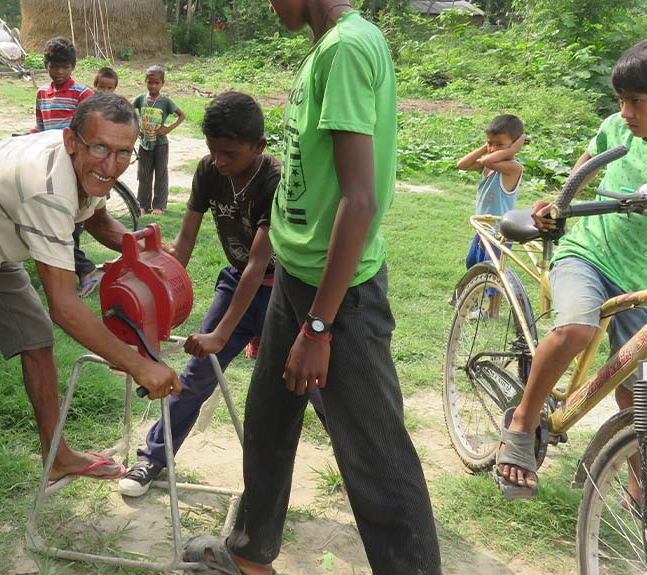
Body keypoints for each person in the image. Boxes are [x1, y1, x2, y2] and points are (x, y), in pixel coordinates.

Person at [181, 1, 441, 573]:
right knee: (268, 421)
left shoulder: (347, 48)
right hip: (294, 278)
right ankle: (250, 554)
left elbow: (360, 198)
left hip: (339, 294)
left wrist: (319, 326)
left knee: (375, 455)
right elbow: (307, 179)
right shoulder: (324, 50)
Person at [0, 94, 182, 525]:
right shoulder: (46, 187)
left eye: (124, 152)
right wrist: (139, 365)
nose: (111, 165)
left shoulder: (83, 168)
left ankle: (58, 456)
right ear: (72, 141)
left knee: (37, 342)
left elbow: (95, 219)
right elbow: (66, 308)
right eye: (101, 149)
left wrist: (141, 251)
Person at [497, 34, 647, 504]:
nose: (625, 111)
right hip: (588, 254)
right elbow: (583, 172)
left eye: (637, 102)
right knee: (577, 329)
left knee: (635, 388)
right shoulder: (618, 131)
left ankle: (640, 499)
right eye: (621, 100)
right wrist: (557, 205)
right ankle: (522, 423)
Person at [120, 92, 326, 496]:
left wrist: (221, 333)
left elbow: (258, 262)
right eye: (213, 151)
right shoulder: (208, 171)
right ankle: (152, 459)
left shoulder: (275, 180)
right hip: (236, 282)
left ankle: (364, 480)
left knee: (313, 384)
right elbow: (185, 243)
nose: (219, 161)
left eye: (230, 153)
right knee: (198, 376)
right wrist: (157, 287)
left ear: (259, 147)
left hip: (284, 291)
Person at [28, 37, 102, 297]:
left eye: (64, 66)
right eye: (54, 66)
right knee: (55, 223)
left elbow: (90, 132)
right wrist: (24, 138)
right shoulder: (42, 94)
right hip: (48, 168)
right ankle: (74, 273)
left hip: (74, 169)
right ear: (46, 66)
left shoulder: (83, 95)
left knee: (69, 226)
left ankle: (85, 270)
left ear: (72, 67)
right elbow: (40, 127)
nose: (59, 72)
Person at [455, 114, 525, 318]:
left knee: (494, 270)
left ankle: (491, 311)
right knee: (473, 263)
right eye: (490, 143)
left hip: (499, 231)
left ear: (516, 144)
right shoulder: (489, 164)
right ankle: (473, 298)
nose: (493, 149)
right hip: (483, 228)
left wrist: (511, 152)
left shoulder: (513, 167)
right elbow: (462, 164)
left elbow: (487, 160)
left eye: (500, 145)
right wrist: (489, 147)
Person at [134, 65, 185, 216]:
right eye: (150, 82)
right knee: (144, 174)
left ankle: (159, 206)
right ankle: (142, 204)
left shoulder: (166, 101)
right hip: (145, 144)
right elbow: (128, 111)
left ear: (163, 83)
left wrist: (168, 129)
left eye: (157, 83)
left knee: (161, 174)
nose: (153, 86)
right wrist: (137, 129)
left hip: (161, 144)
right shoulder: (140, 99)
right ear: (145, 81)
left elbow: (181, 115)